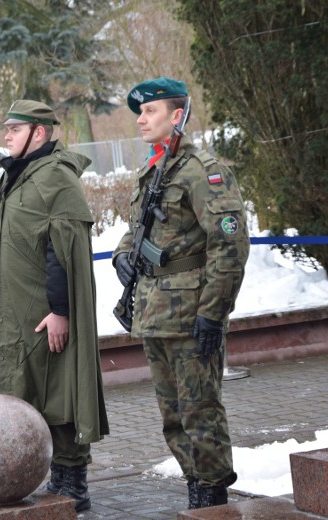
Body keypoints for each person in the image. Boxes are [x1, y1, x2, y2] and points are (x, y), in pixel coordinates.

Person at [112, 77, 250, 509]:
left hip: (191, 314)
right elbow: (137, 233)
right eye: (140, 112)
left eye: (150, 111)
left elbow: (229, 245)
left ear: (177, 115)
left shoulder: (201, 171)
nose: (141, 118)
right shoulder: (154, 170)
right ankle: (195, 487)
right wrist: (122, 258)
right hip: (155, 314)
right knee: (172, 416)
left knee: (200, 411)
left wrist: (213, 313)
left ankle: (212, 496)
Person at [0, 100, 109, 512]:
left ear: (37, 133)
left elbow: (62, 253)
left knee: (60, 391)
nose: (6, 135)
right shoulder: (19, 176)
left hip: (46, 313)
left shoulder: (56, 178)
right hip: (18, 312)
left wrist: (61, 311)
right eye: (6, 129)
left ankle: (73, 481)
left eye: (14, 129)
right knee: (34, 391)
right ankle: (57, 477)